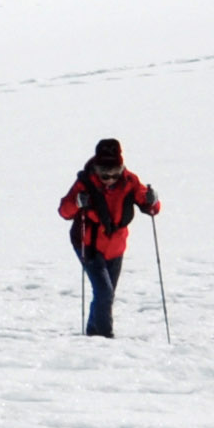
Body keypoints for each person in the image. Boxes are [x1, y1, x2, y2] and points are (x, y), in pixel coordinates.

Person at [58, 135, 160, 337]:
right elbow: (64, 211)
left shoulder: (130, 181)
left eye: (114, 174)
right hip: (89, 245)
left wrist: (152, 200)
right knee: (105, 293)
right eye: (105, 175)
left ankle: (93, 334)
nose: (110, 180)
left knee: (106, 294)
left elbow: (151, 208)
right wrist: (78, 202)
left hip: (116, 248)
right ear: (97, 169)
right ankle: (105, 338)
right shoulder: (85, 183)